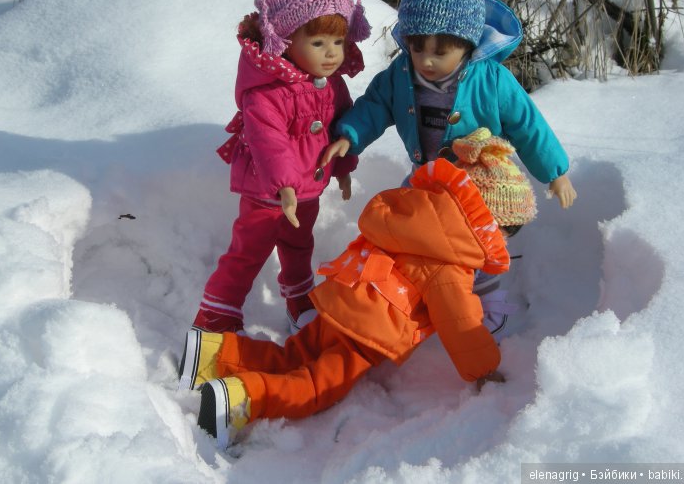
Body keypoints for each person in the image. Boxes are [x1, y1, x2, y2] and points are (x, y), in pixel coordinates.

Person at [178, 128, 538, 449]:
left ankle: (211, 353)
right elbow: (460, 322)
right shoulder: (453, 257)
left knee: (293, 356)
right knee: (316, 386)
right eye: (505, 233)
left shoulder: (416, 212)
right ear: (485, 220)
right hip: (367, 333)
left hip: (340, 300)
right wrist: (484, 369)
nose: (502, 244)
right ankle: (242, 398)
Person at [190, 0, 372, 334]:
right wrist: (284, 186)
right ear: (287, 40)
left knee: (299, 245)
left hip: (308, 186)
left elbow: (340, 122)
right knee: (248, 251)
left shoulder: (329, 83)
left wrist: (344, 165)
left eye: (338, 41)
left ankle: (299, 296)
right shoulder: (266, 91)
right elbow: (267, 140)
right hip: (267, 189)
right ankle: (216, 314)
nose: (332, 53)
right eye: (318, 42)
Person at [320, 0, 577, 209]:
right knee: (412, 225)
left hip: (478, 182)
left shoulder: (491, 80)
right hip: (424, 175)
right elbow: (376, 105)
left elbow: (527, 124)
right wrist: (350, 135)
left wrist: (555, 172)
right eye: (417, 49)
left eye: (440, 53)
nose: (426, 61)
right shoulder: (401, 73)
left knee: (472, 237)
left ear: (467, 45)